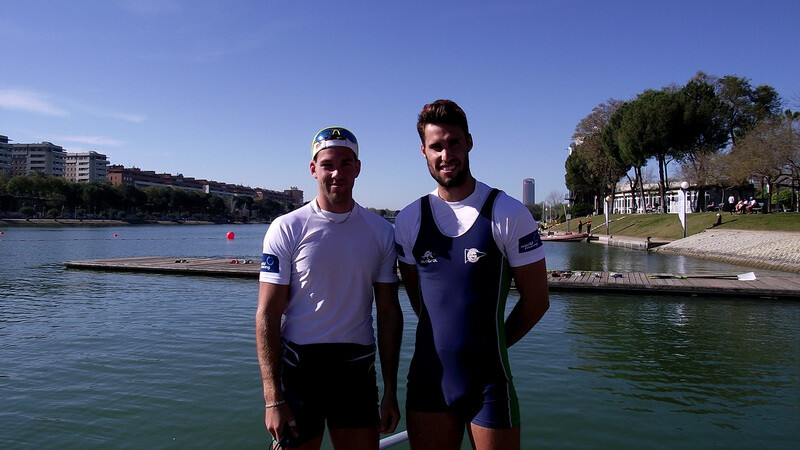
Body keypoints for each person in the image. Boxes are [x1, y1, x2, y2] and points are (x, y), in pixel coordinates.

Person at [394, 100, 550, 450]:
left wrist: (493, 343)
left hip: (489, 382)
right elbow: (420, 301)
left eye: (454, 143)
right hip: (429, 380)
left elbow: (537, 301)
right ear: (423, 151)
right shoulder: (408, 219)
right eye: (436, 146)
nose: (445, 154)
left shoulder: (508, 213)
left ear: (469, 142)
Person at [256, 127, 403, 449]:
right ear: (313, 169)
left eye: (346, 163)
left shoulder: (381, 231)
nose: (337, 173)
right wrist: (272, 398)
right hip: (299, 369)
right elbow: (267, 314)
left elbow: (389, 312)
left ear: (358, 168)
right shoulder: (286, 228)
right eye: (328, 165)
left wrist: (391, 390)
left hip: (355, 371)